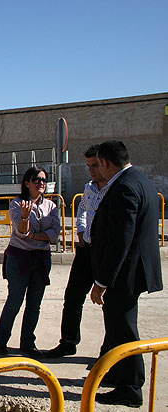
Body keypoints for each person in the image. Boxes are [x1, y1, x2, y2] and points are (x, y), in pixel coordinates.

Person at [89, 140, 163, 407]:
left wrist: (101, 281)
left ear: (107, 163)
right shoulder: (139, 180)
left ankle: (130, 386)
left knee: (123, 328)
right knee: (118, 325)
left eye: (99, 164)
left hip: (126, 273)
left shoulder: (124, 187)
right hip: (132, 270)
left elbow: (121, 240)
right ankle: (117, 373)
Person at [44, 145, 108, 358]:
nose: (91, 170)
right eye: (88, 166)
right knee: (72, 299)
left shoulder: (116, 189)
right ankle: (68, 342)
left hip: (106, 253)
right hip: (86, 251)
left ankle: (108, 352)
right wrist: (80, 229)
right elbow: (82, 209)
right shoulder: (89, 187)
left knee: (110, 304)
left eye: (95, 165)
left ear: (106, 163)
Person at [0, 167, 61, 359]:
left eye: (44, 180)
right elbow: (21, 232)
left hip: (41, 260)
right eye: (36, 180)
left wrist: (34, 235)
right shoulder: (17, 204)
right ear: (27, 183)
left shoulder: (51, 206)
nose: (41, 183)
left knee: (34, 304)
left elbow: (55, 235)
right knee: (14, 301)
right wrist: (26, 218)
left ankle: (28, 343)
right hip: (19, 258)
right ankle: (1, 339)